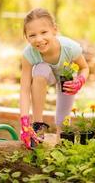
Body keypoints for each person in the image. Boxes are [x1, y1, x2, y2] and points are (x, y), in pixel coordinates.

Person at [20, 8, 89, 149]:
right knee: (40, 68)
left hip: (67, 79)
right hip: (45, 76)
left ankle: (61, 141)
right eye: (32, 35)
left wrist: (80, 80)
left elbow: (84, 68)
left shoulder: (70, 48)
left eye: (44, 32)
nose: (39, 39)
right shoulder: (28, 54)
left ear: (54, 30)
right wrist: (24, 120)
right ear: (26, 37)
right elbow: (25, 88)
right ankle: (38, 126)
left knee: (63, 125)